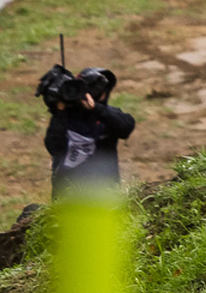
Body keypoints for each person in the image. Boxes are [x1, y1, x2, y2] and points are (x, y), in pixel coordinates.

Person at [41, 67, 136, 196]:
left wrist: (96, 109)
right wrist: (60, 111)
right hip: (67, 195)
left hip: (104, 192)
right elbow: (54, 147)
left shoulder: (106, 116)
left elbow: (126, 127)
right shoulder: (65, 117)